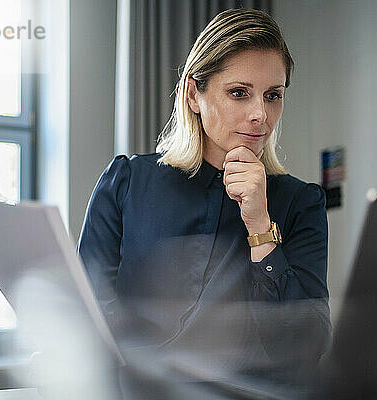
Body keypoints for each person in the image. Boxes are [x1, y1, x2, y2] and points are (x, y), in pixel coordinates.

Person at [78, 8, 331, 399]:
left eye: (273, 96)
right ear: (195, 94)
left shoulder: (301, 203)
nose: (260, 115)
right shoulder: (126, 183)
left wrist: (260, 226)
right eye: (239, 92)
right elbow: (87, 312)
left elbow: (307, 347)